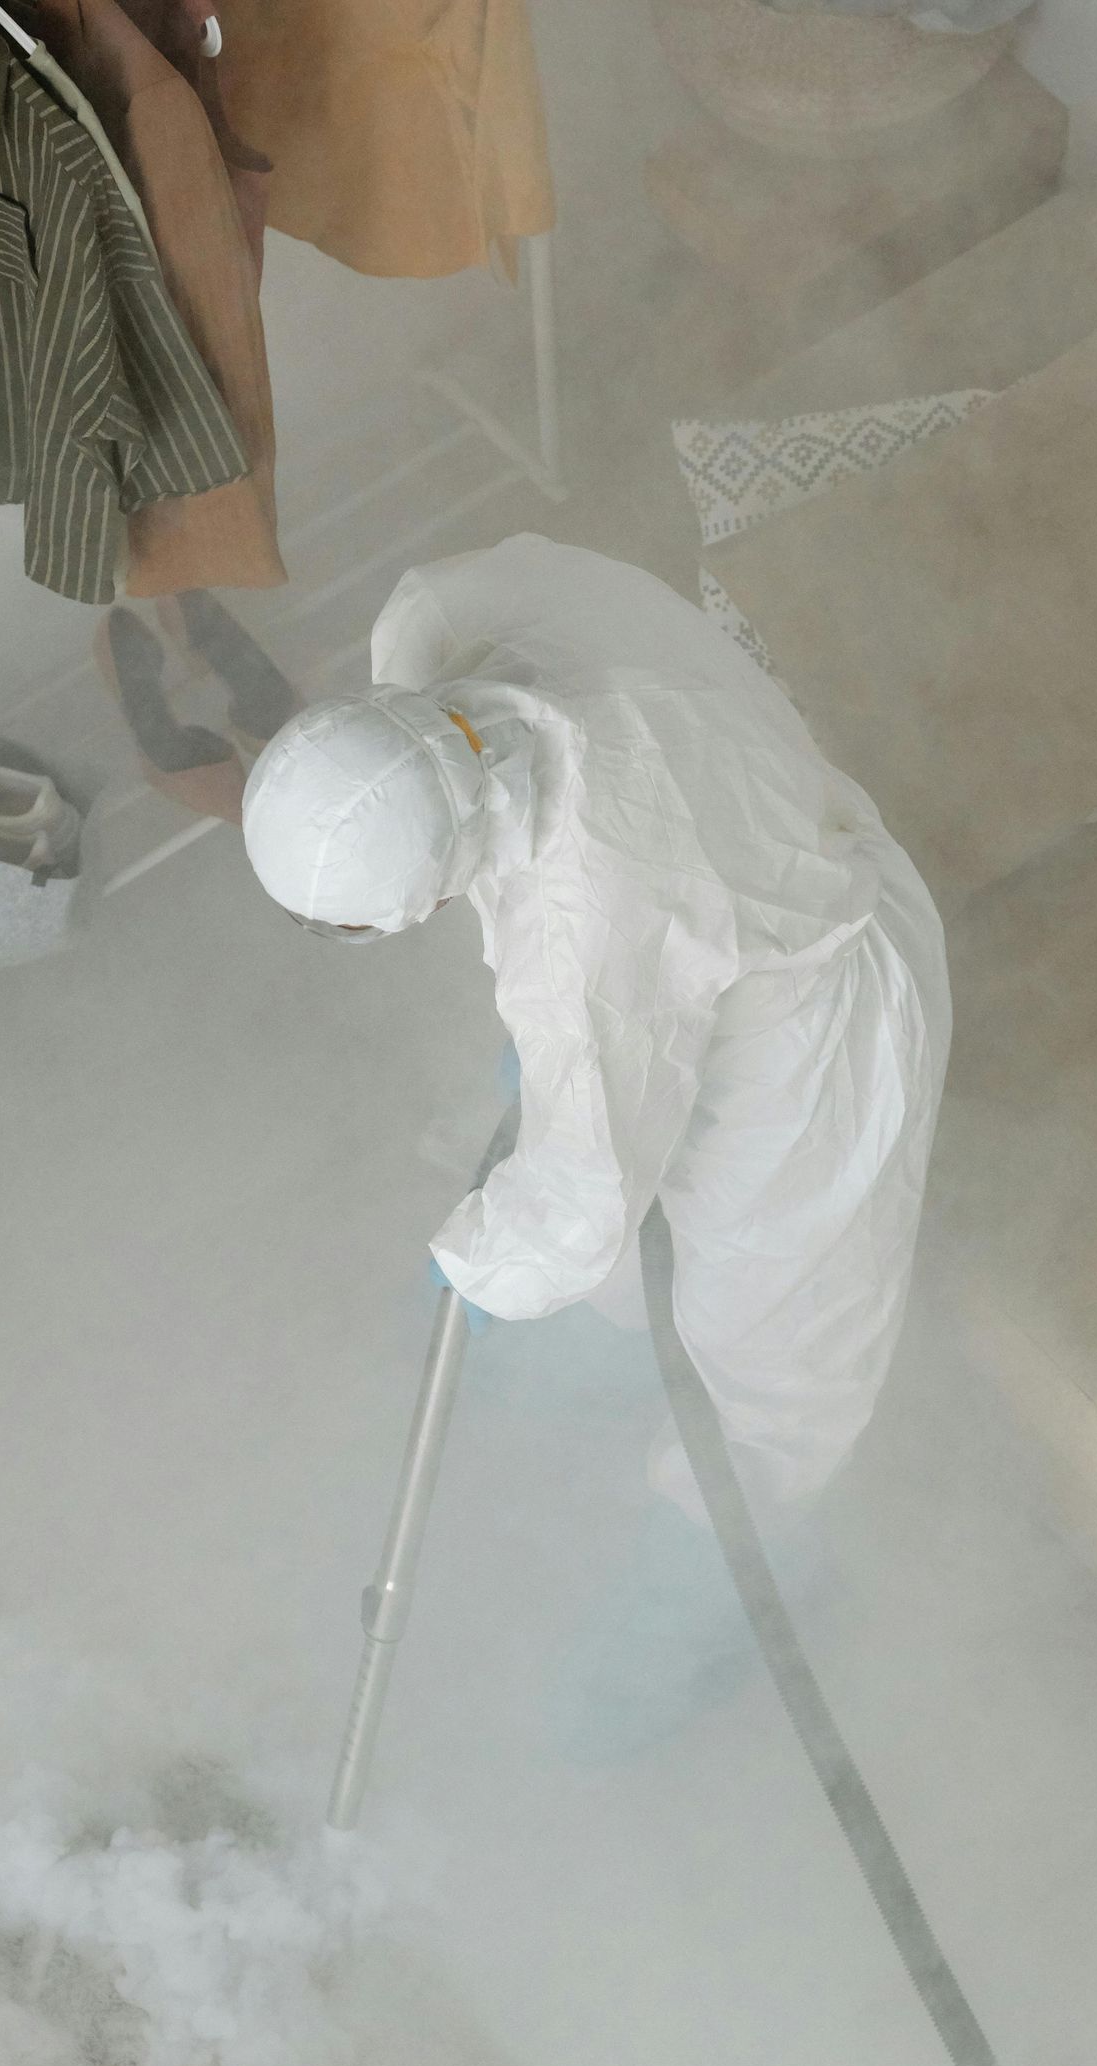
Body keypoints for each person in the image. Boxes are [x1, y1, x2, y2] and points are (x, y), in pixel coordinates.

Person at [243, 534, 950, 1745]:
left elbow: (573, 1210)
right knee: (621, 1187)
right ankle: (597, 1374)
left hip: (820, 1008)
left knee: (775, 1348)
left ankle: (704, 1598)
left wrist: (470, 1265)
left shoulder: (589, 916)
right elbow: (599, 1025)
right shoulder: (462, 615)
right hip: (725, 868)